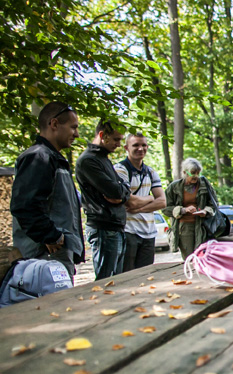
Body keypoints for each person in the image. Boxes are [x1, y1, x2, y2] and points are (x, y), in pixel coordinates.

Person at [10, 102, 85, 282]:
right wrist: (51, 236)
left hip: (55, 256)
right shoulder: (38, 157)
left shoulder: (55, 159)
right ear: (54, 124)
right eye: (73, 127)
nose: (76, 134)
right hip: (43, 258)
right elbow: (25, 206)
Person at [76, 120, 131, 280]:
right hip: (103, 228)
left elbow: (123, 190)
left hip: (115, 226)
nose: (119, 144)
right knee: (105, 282)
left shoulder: (103, 158)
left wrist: (122, 193)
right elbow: (115, 191)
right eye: (116, 139)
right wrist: (121, 192)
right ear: (102, 135)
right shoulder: (89, 161)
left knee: (117, 281)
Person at [113, 132, 166, 272]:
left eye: (144, 145)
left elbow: (162, 202)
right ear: (126, 148)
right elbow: (130, 202)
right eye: (136, 145)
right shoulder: (120, 169)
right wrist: (150, 198)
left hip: (149, 233)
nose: (140, 149)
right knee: (128, 275)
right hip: (128, 231)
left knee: (146, 275)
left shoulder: (150, 172)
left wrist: (139, 208)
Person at [163, 159, 219, 259]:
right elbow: (165, 208)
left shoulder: (205, 185)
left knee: (203, 258)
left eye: (198, 173)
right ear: (185, 172)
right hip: (185, 228)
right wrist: (183, 210)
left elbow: (214, 204)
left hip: (203, 227)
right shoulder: (174, 187)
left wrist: (205, 211)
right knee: (189, 258)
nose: (196, 176)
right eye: (193, 173)